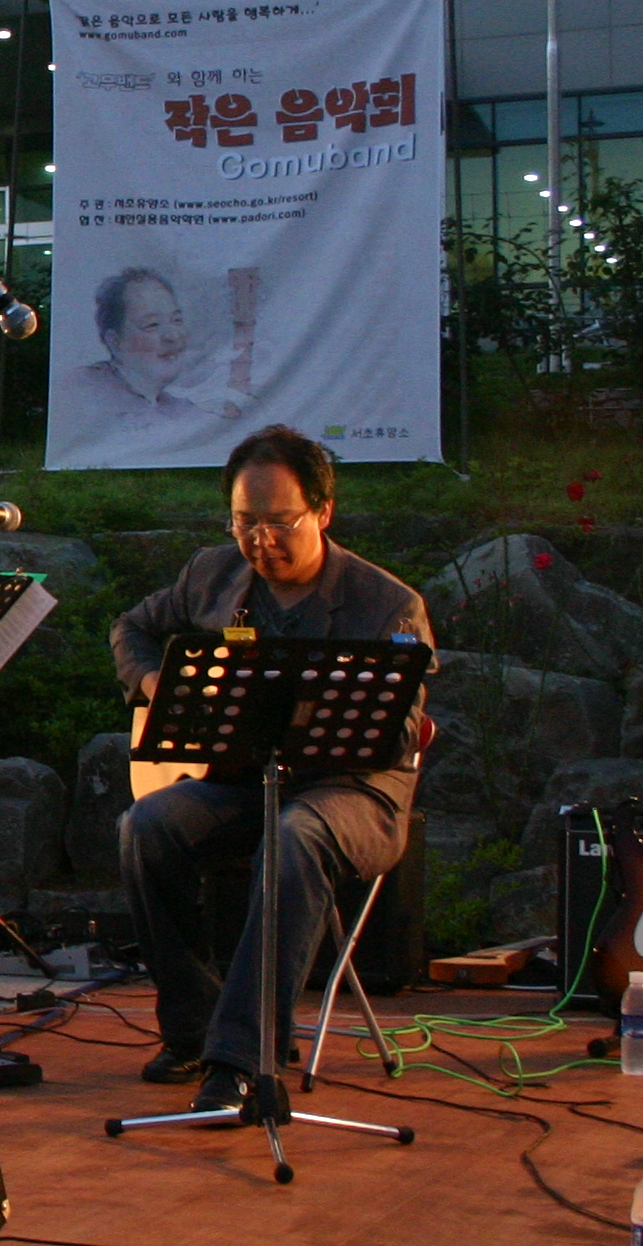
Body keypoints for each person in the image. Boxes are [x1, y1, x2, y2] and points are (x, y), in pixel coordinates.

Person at [108, 426, 431, 1112]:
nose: (260, 541)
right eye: (243, 523)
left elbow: (403, 732)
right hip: (242, 781)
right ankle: (192, 1029)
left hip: (350, 793)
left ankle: (243, 1060)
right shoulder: (211, 574)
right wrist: (155, 685)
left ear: (323, 511)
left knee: (295, 836)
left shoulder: (386, 604)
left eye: (279, 523)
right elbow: (131, 628)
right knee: (146, 827)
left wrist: (324, 709)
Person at [80, 268, 197, 428]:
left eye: (177, 320)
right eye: (152, 325)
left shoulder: (180, 409)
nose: (173, 336)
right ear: (115, 342)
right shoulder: (85, 393)